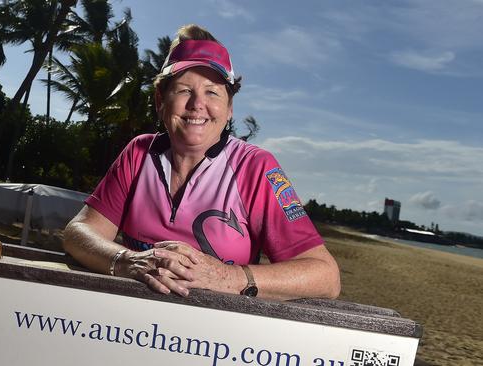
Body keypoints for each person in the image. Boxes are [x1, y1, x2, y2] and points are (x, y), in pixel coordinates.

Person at [63, 24, 340, 300]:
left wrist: (225, 277)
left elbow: (325, 277)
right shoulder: (139, 153)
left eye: (212, 92)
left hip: (214, 340)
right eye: (183, 90)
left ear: (230, 108)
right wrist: (127, 261)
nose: (197, 104)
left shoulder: (255, 167)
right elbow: (79, 232)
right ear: (161, 100)